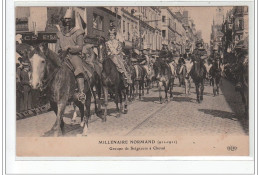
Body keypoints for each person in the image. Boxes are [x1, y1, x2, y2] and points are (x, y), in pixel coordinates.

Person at [55, 8, 86, 102]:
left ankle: (81, 93)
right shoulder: (60, 34)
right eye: (66, 19)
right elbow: (57, 48)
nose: (67, 21)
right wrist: (58, 53)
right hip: (62, 57)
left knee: (78, 69)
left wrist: (69, 47)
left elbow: (80, 47)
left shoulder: (78, 32)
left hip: (74, 55)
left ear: (73, 19)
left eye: (69, 18)